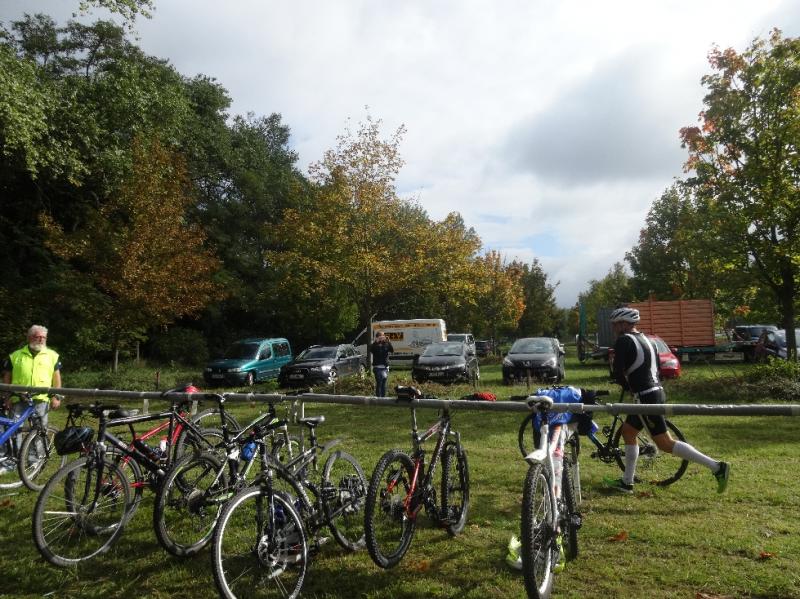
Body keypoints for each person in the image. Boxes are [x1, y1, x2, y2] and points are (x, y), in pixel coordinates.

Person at [603, 307, 729, 494]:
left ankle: (717, 467)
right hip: (655, 391)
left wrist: (628, 387)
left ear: (623, 324)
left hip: (644, 396)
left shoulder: (623, 340)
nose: (613, 329)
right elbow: (657, 368)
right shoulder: (649, 339)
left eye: (615, 325)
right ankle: (627, 482)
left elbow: (617, 372)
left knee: (664, 443)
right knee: (628, 432)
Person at [1, 325, 62, 471]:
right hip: (18, 398)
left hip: (41, 399)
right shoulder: (15, 356)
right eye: (37, 336)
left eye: (43, 337)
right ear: (29, 338)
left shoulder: (52, 356)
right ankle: (14, 460)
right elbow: (7, 378)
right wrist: (7, 397)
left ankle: (35, 460)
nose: (41, 339)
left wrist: (57, 396)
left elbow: (57, 379)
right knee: (14, 430)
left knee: (39, 430)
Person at [369, 331, 394, 397]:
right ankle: (378, 399)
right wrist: (376, 342)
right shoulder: (375, 345)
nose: (381, 338)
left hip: (385, 367)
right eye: (379, 337)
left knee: (383, 384)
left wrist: (389, 342)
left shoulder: (386, 344)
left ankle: (383, 399)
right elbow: (371, 350)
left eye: (382, 336)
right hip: (377, 367)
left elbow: (392, 350)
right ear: (377, 337)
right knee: (379, 383)